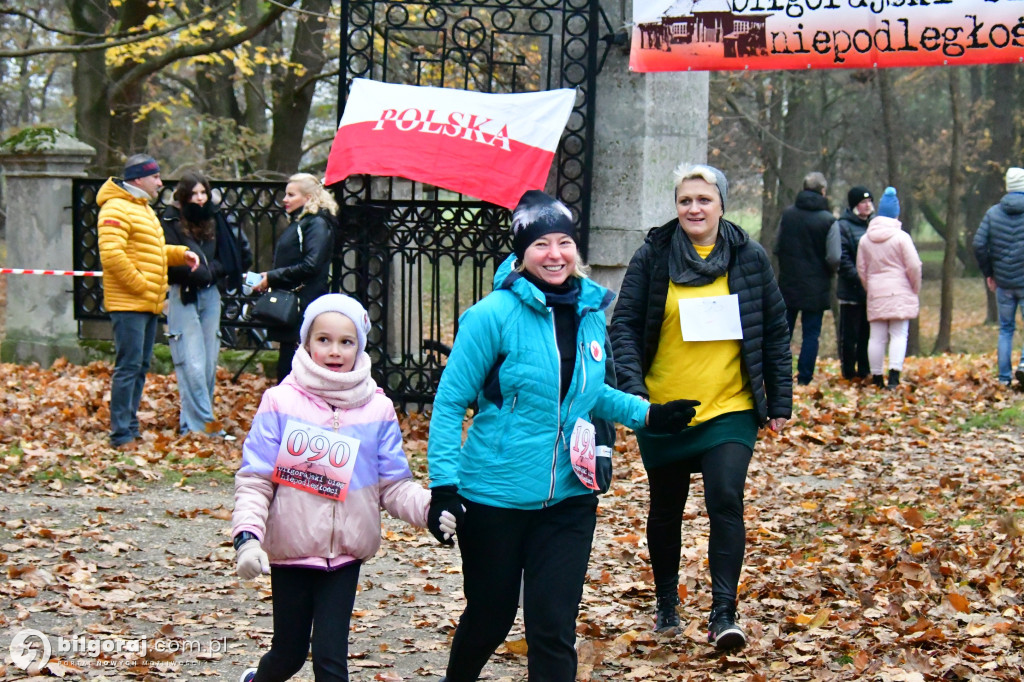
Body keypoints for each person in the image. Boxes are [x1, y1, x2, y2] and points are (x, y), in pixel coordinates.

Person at [426, 190, 700, 682]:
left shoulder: (591, 311)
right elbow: (449, 404)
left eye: (564, 242)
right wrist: (443, 487)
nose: (555, 254)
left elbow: (592, 393)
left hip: (570, 497)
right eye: (541, 244)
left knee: (553, 628)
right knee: (490, 618)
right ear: (520, 252)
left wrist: (650, 416)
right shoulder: (491, 316)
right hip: (494, 496)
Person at [609, 163, 792, 651]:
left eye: (704, 199)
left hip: (729, 406)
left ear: (721, 205)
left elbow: (774, 328)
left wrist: (780, 399)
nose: (694, 208)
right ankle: (667, 602)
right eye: (685, 200)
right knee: (666, 508)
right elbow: (624, 324)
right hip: (665, 408)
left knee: (726, 498)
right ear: (676, 205)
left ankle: (723, 613)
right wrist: (634, 391)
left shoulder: (748, 256)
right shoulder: (653, 254)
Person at [232, 294, 456, 682]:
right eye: (323, 340)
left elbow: (393, 485)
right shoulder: (280, 402)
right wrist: (248, 538)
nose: (334, 351)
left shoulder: (377, 408)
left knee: (331, 662)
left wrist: (431, 509)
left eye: (346, 342)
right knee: (288, 655)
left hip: (346, 555)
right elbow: (255, 479)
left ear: (360, 346)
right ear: (305, 343)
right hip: (292, 550)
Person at [97, 154, 199, 448]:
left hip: (145, 302)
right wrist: (142, 286)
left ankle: (129, 425)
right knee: (128, 367)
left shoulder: (141, 209)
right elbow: (112, 256)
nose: (160, 182)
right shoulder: (116, 208)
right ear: (138, 179)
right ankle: (121, 434)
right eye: (155, 177)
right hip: (130, 303)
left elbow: (151, 252)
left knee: (139, 366)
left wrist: (180, 254)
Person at [161, 171, 252, 436]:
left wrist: (211, 271)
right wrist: (193, 272)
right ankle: (207, 426)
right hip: (183, 293)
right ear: (183, 196)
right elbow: (164, 259)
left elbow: (233, 256)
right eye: (194, 194)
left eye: (203, 193)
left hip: (211, 294)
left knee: (209, 362)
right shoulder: (169, 219)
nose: (200, 199)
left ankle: (192, 425)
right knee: (192, 362)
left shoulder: (217, 218)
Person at [252, 173, 336, 384]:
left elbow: (311, 264)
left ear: (307, 197)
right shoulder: (303, 222)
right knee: (289, 359)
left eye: (291, 195)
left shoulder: (316, 223)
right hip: (297, 301)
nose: (285, 200)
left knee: (294, 362)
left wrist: (272, 277)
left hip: (304, 301)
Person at [856, 187, 922, 389]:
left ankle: (877, 377)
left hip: (876, 291)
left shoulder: (865, 239)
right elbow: (914, 266)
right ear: (896, 213)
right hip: (900, 290)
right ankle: (894, 377)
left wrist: (870, 287)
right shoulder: (901, 238)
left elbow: (861, 268)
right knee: (899, 334)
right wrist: (914, 287)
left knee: (876, 337)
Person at [775, 171, 834, 385]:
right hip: (816, 285)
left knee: (783, 333)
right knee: (811, 334)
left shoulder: (788, 215)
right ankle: (805, 377)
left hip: (789, 283)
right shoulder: (828, 220)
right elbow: (835, 256)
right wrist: (828, 271)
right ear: (823, 191)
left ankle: (778, 375)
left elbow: (777, 245)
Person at [972, 167, 1024, 387]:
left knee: (1005, 328)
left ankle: (1004, 378)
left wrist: (989, 273)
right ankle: (1023, 365)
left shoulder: (993, 213)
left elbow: (978, 244)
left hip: (1003, 281)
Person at [826, 186, 875, 381]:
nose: (867, 206)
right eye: (863, 202)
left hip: (870, 292)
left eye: (869, 202)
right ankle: (848, 371)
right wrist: (860, 279)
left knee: (867, 334)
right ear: (855, 205)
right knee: (849, 336)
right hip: (851, 290)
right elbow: (842, 259)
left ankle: (865, 369)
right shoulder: (843, 226)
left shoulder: (874, 225)